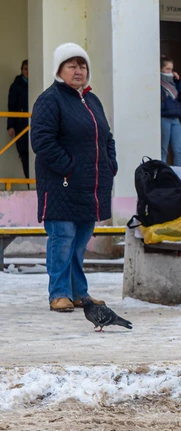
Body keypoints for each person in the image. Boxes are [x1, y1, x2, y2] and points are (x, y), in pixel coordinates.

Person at [31, 43, 117, 312]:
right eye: (71, 65)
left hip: (88, 186)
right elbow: (42, 141)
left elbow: (107, 137)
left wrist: (109, 164)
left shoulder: (92, 100)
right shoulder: (50, 99)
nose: (78, 70)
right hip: (61, 184)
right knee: (62, 239)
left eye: (82, 66)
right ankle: (58, 293)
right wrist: (68, 167)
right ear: (59, 70)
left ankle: (79, 293)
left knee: (79, 242)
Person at [160, 55, 181, 167]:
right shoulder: (158, 82)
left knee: (180, 150)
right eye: (167, 69)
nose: (170, 72)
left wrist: (178, 81)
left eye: (171, 69)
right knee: (163, 150)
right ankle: (162, 174)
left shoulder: (173, 82)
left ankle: (179, 175)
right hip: (164, 117)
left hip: (175, 118)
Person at [7, 59, 29, 178]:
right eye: (25, 69)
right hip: (21, 126)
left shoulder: (37, 83)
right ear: (21, 70)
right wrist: (11, 126)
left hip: (34, 125)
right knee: (24, 155)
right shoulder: (16, 86)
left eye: (30, 69)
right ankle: (29, 184)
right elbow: (11, 107)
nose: (28, 72)